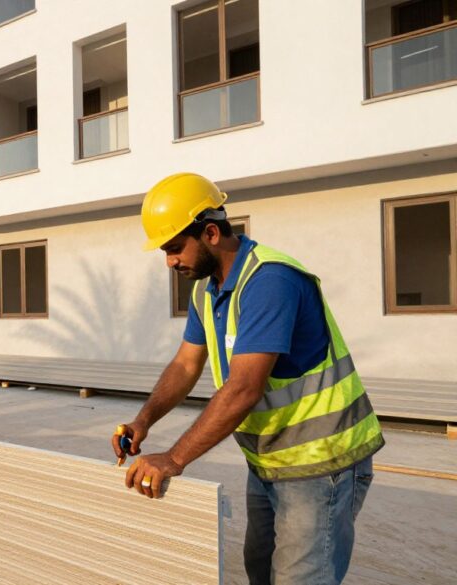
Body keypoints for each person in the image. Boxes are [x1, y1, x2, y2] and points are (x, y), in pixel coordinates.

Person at [113, 173, 383, 585]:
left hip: (321, 463)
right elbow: (186, 365)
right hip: (269, 461)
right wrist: (143, 422)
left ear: (210, 233)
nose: (169, 261)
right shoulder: (207, 291)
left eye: (173, 248)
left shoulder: (270, 280)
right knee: (260, 571)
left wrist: (174, 458)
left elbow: (243, 389)